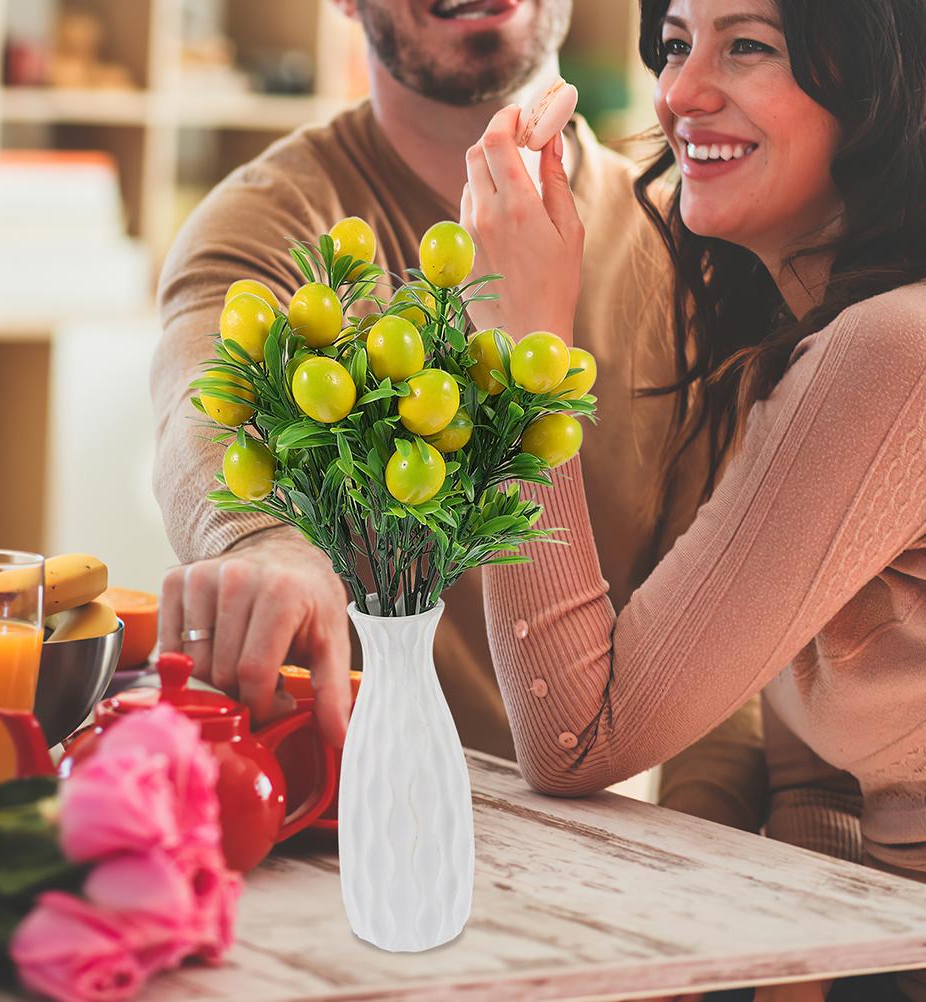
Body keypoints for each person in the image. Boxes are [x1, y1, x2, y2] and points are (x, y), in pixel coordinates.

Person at [150, 0, 767, 832]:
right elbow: (201, 410)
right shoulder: (268, 221)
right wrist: (266, 540)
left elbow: (726, 670)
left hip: (588, 865)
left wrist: (704, 922)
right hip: (339, 831)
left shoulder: (696, 243)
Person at [462, 0, 926, 998]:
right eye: (675, 45)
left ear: (879, 82)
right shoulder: (810, 338)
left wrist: (520, 355)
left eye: (747, 45)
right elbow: (811, 765)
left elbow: (574, 739)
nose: (680, 93)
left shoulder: (892, 350)